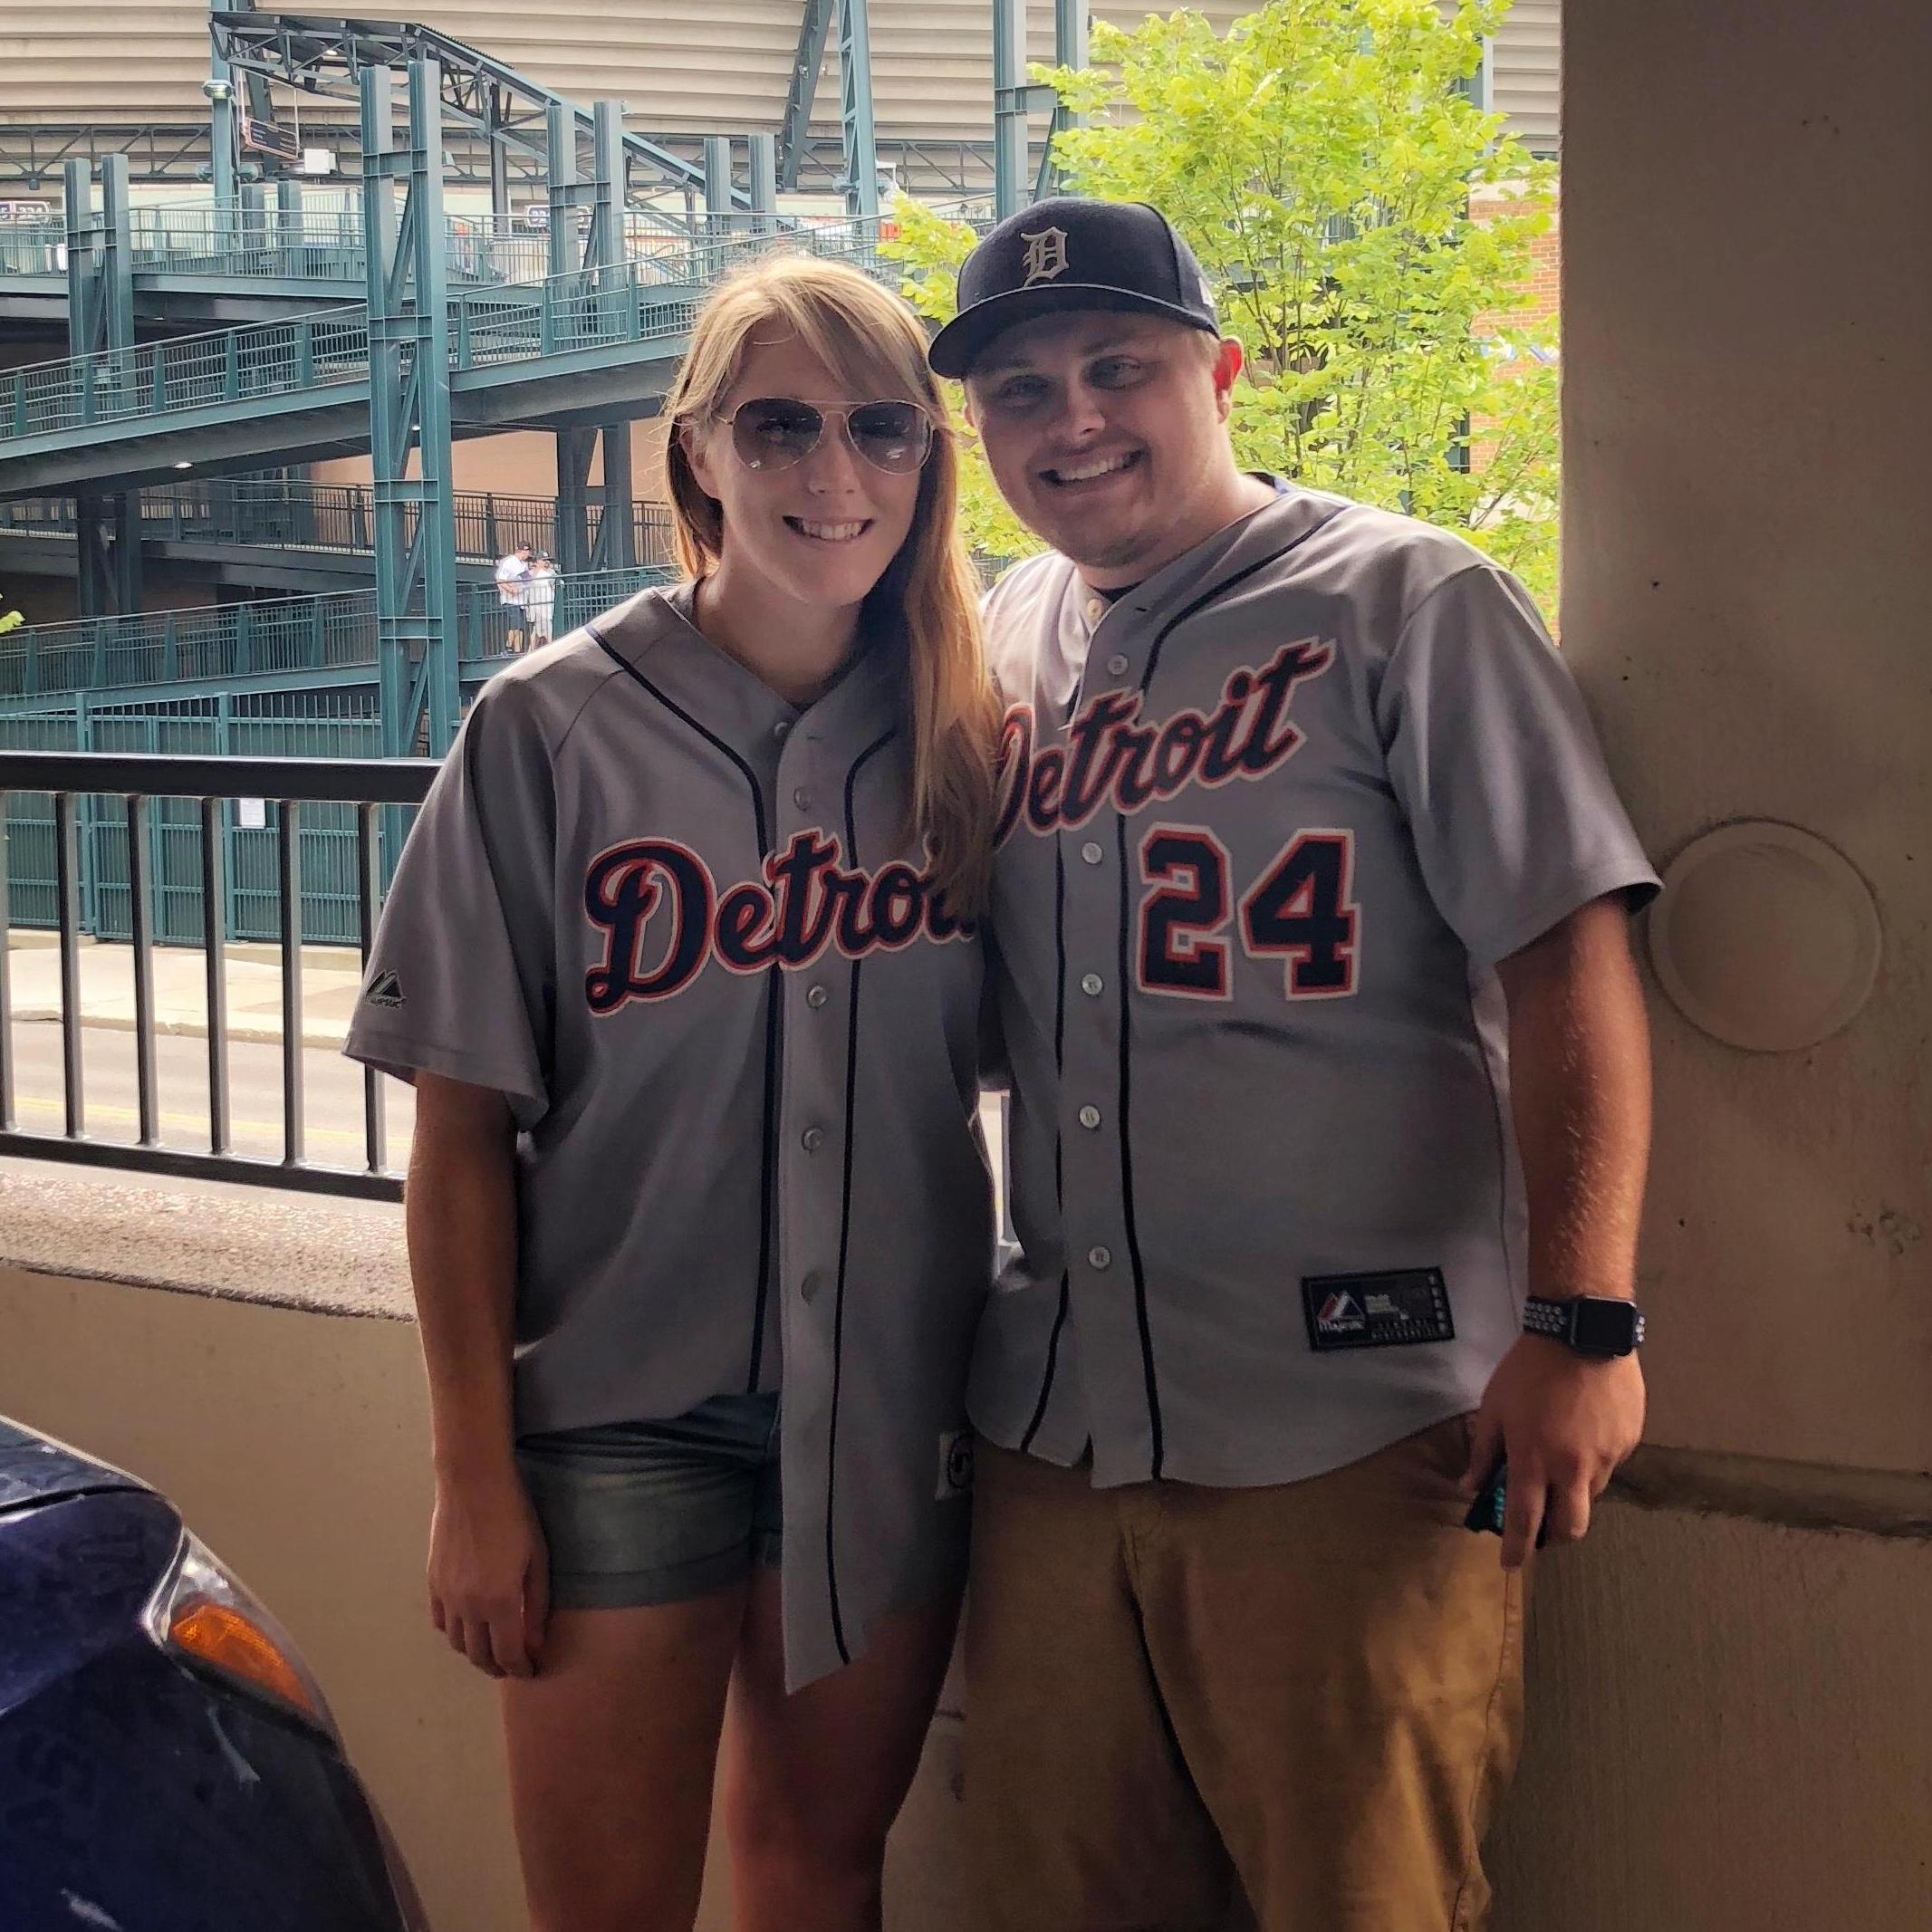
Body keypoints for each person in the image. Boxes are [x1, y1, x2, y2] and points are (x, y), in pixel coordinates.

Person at [928, 197, 1661, 1931]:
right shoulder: (999, 635)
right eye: (1020, 390)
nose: (1072, 418)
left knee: (1363, 1902)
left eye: (1118, 366)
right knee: (1051, 1898)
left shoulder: (1406, 596)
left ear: (1220, 369)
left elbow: (1568, 955)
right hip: (1055, 1427)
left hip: (1357, 1425)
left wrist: (1583, 1320)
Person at [344, 253, 999, 1932]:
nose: (828, 474)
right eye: (775, 425)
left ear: (929, 459)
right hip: (615, 1418)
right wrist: (470, 1474)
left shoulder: (969, 733)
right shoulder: (546, 726)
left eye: (876, 427)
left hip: (883, 1403)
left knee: (814, 1871)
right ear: (694, 449)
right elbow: (460, 1137)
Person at [494, 541, 533, 652]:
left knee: (520, 627)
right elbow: (500, 580)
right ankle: (508, 647)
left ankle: (517, 650)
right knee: (514, 626)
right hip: (510, 600)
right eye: (527, 551)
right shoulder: (508, 562)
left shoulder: (524, 565)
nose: (527, 554)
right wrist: (510, 590)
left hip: (521, 601)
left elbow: (527, 581)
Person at [524, 551, 559, 649]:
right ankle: (533, 651)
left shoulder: (551, 572)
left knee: (545, 630)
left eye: (547, 560)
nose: (546, 562)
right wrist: (536, 570)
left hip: (547, 607)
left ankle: (545, 649)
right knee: (538, 631)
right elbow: (522, 582)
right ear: (538, 561)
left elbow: (559, 583)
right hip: (536, 606)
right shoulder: (531, 572)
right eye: (543, 560)